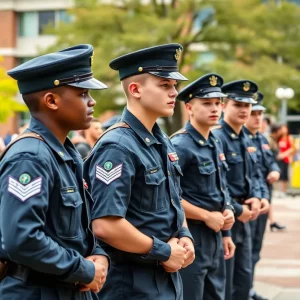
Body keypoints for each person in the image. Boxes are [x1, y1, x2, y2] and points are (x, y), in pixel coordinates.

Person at [84, 44, 195, 300]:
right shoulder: (118, 146)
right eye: (164, 85)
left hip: (165, 276)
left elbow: (173, 199)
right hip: (131, 284)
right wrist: (164, 251)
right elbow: (105, 225)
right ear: (135, 89)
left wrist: (184, 236)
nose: (174, 93)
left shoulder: (160, 139)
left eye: (174, 86)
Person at [0, 44, 109, 299]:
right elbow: (23, 239)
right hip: (35, 291)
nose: (92, 101)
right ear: (51, 101)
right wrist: (83, 268)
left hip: (68, 288)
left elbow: (80, 228)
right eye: (83, 93)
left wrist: (100, 258)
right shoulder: (31, 156)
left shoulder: (66, 152)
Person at [170, 73, 235, 300]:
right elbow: (170, 196)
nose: (214, 108)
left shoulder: (214, 141)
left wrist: (226, 226)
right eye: (206, 103)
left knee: (216, 295)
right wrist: (206, 215)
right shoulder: (180, 145)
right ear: (189, 107)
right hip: (192, 234)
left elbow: (221, 187)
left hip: (215, 236)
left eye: (217, 103)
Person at [212, 80, 262, 300]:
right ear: (224, 106)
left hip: (246, 217)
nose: (244, 110)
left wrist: (260, 197)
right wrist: (238, 209)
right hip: (229, 218)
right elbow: (217, 184)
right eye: (237, 105)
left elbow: (254, 175)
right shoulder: (217, 138)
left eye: (247, 106)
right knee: (226, 282)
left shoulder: (246, 138)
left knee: (244, 278)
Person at [244, 92, 280, 300]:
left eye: (260, 114)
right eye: (254, 113)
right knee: (244, 254)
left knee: (255, 249)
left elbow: (269, 163)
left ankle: (249, 288)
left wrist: (275, 170)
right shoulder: (241, 139)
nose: (258, 118)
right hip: (247, 205)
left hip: (263, 201)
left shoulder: (261, 139)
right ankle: (244, 290)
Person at [268, 124, 286, 231]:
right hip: (268, 173)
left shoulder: (274, 140)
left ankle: (272, 221)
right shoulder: (269, 140)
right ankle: (272, 221)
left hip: (273, 171)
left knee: (269, 198)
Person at [277, 124, 295, 197]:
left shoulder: (289, 137)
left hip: (286, 159)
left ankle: (284, 190)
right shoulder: (279, 138)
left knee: (285, 175)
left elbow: (292, 148)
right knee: (279, 174)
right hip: (279, 158)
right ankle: (279, 191)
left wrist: (285, 154)